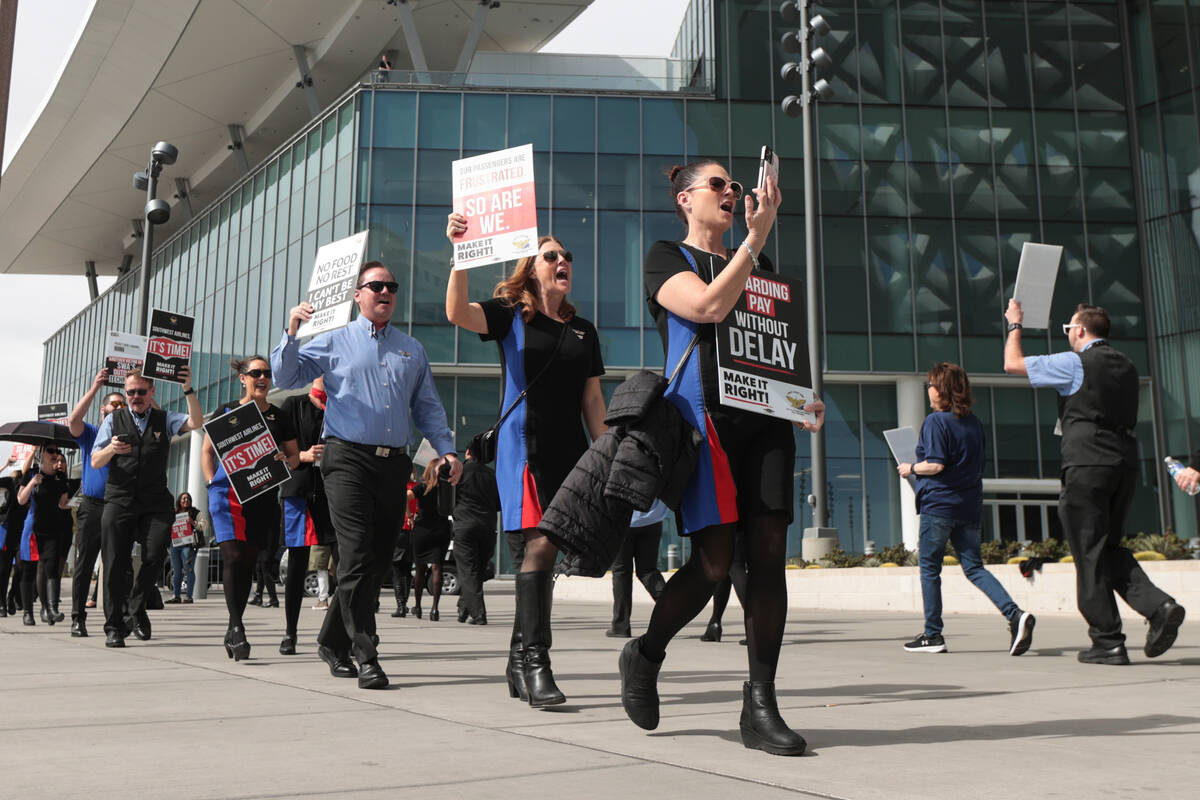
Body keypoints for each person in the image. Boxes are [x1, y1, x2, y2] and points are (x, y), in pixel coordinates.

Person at [619, 160, 825, 757]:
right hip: (704, 426)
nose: (732, 192)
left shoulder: (760, 268)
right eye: (719, 185)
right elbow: (707, 306)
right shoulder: (666, 257)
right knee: (713, 564)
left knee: (767, 561)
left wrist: (801, 397)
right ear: (686, 199)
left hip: (764, 427)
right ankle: (646, 652)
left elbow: (775, 351)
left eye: (736, 185)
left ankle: (760, 702)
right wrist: (756, 239)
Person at [273, 260, 461, 690]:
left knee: (376, 563)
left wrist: (448, 451)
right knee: (355, 555)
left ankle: (331, 641)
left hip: (393, 463)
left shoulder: (411, 349)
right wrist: (292, 331)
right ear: (358, 295)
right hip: (346, 460)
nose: (386, 291)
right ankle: (368, 654)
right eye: (376, 285)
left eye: (392, 286)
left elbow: (428, 408)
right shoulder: (335, 341)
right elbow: (286, 375)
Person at [445, 219, 607, 707]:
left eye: (566, 257)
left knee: (550, 553)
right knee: (536, 547)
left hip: (570, 452)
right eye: (551, 257)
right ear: (530, 270)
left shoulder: (583, 330)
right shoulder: (512, 315)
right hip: (523, 449)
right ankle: (537, 662)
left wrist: (606, 458)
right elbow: (457, 312)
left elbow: (593, 400)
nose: (562, 263)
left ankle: (519, 662)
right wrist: (460, 254)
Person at [1004, 300, 1185, 664]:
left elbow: (1012, 364)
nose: (1069, 334)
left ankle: (1107, 641)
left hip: (1087, 463)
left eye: (1070, 329)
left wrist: (1014, 326)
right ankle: (1158, 607)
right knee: (1108, 547)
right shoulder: (1128, 365)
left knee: (1088, 552)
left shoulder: (1075, 362)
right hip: (1124, 464)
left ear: (1082, 331)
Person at [897, 362, 1036, 656]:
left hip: (939, 506)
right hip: (969, 506)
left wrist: (910, 468)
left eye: (932, 385)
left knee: (929, 568)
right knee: (974, 568)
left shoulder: (936, 422)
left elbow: (935, 464)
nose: (929, 390)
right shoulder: (973, 423)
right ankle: (1015, 614)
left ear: (942, 390)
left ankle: (933, 635)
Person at [91, 368, 204, 647]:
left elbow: (196, 422)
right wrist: (111, 450)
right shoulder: (113, 420)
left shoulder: (164, 419)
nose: (136, 397)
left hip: (154, 501)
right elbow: (95, 461)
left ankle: (136, 606)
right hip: (120, 499)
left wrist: (188, 388)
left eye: (142, 392)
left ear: (152, 392)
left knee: (154, 555)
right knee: (116, 563)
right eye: (131, 392)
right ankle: (115, 627)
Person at [202, 356, 299, 661]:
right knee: (231, 557)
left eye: (267, 373)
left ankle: (233, 625)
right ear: (242, 378)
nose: (262, 378)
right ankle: (237, 628)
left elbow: (294, 457)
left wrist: (288, 461)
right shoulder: (227, 411)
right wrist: (210, 482)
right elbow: (207, 451)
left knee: (247, 562)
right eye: (255, 373)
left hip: (262, 495)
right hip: (226, 496)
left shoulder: (280, 417)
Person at [66, 368, 126, 636]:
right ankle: (78, 617)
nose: (118, 408)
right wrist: (94, 388)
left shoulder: (127, 436)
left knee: (116, 565)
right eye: (114, 403)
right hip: (91, 506)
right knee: (84, 564)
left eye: (122, 405)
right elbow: (73, 420)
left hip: (117, 506)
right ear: (103, 409)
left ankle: (116, 619)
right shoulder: (91, 433)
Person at [278, 377, 336, 655]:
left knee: (348, 563)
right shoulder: (294, 404)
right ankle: (290, 632)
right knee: (298, 564)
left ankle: (345, 632)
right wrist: (302, 455)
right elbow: (277, 448)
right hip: (299, 491)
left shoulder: (341, 405)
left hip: (333, 492)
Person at [16, 446, 71, 625]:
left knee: (52, 568)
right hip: (33, 529)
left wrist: (76, 502)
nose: (55, 455)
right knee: (29, 570)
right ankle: (27, 612)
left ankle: (52, 609)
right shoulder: (31, 473)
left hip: (53, 529)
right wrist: (33, 483)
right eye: (50, 451)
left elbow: (63, 504)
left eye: (57, 451)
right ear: (41, 454)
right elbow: (21, 499)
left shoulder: (60, 478)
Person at [452, 444, 500, 625]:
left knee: (468, 570)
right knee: (478, 570)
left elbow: (448, 498)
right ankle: (464, 609)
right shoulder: (492, 475)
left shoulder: (460, 472)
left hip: (464, 524)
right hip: (487, 526)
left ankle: (479, 614)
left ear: (468, 453)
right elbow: (498, 503)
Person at [606, 522, 666, 638]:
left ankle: (621, 626)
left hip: (622, 520)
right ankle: (672, 605)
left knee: (621, 572)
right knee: (648, 570)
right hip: (652, 519)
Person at [409, 460, 452, 621]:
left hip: (422, 530)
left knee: (420, 569)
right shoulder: (448, 489)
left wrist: (409, 515)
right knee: (437, 568)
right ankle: (435, 609)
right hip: (441, 530)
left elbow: (406, 496)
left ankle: (418, 606)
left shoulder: (423, 486)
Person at [1, 452, 34, 616]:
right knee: (4, 569)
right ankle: (1, 604)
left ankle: (12, 596)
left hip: (24, 532)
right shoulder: (11, 481)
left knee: (20, 567)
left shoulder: (33, 480)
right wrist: (6, 464)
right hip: (8, 532)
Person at [167, 492, 203, 604]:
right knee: (177, 571)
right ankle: (176, 596)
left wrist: (193, 522)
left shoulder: (196, 512)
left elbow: (204, 526)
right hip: (175, 545)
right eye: (183, 498)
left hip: (189, 545)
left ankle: (189, 596)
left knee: (189, 569)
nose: (186, 500)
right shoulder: (173, 513)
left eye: (188, 499)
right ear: (179, 500)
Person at [390, 476, 418, 618]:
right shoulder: (417, 487)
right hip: (413, 530)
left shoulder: (397, 488)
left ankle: (401, 605)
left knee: (396, 569)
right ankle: (404, 603)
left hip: (400, 529)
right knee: (407, 568)